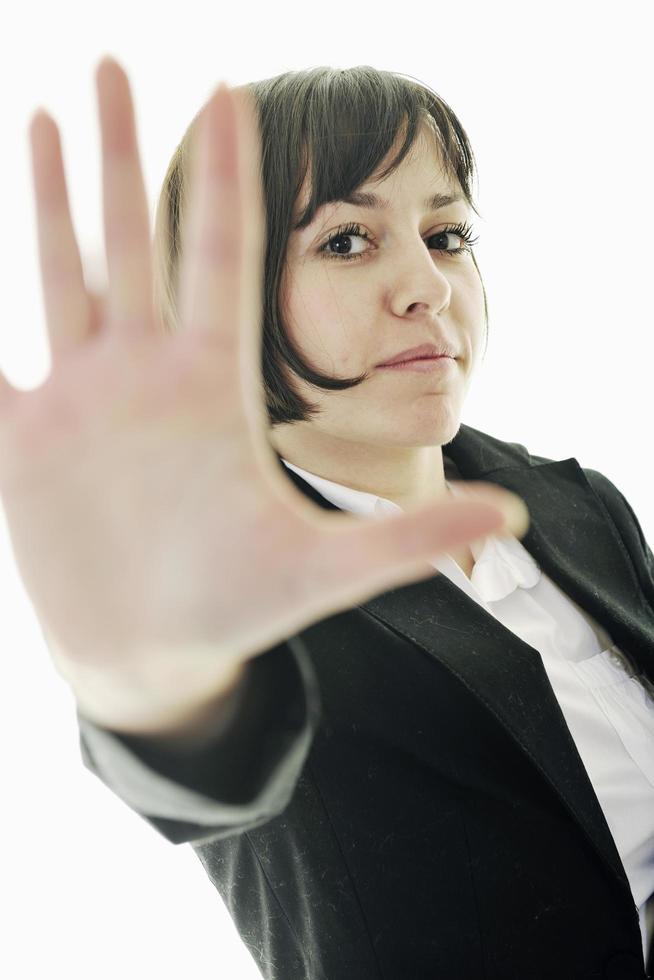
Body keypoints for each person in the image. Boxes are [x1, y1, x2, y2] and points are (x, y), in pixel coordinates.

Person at [1, 55, 652, 979]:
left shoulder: (577, 503)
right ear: (231, 295)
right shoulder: (239, 578)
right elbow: (207, 756)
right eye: (346, 241)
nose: (426, 284)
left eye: (448, 232)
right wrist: (148, 689)